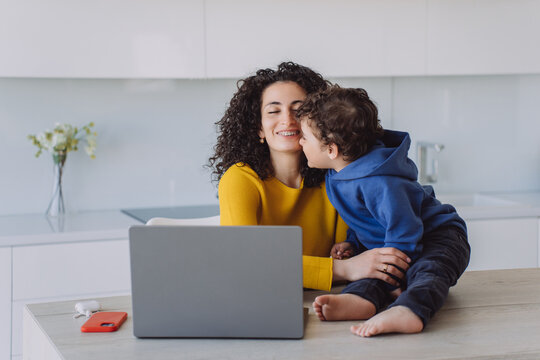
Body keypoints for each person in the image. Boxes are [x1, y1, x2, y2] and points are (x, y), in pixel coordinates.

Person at [208, 62, 412, 291]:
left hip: (330, 299)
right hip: (264, 300)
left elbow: (350, 252)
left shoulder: (338, 176)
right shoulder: (240, 179)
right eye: (274, 111)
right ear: (259, 129)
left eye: (298, 110)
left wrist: (349, 262)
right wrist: (344, 269)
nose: (288, 120)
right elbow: (245, 263)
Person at [297, 85, 470, 336]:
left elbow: (406, 229)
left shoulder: (380, 181)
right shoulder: (336, 172)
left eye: (305, 137)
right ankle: (362, 300)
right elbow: (365, 218)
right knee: (372, 271)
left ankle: (410, 311)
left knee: (428, 272)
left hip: (440, 237)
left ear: (331, 150)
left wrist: (394, 279)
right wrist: (353, 244)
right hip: (399, 242)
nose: (300, 141)